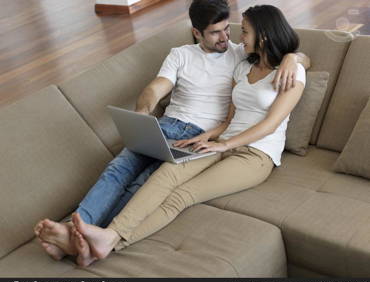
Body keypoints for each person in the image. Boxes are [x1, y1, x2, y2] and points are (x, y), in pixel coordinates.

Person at [34, 0, 310, 263]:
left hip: (249, 151)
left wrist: (291, 57)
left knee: (165, 188)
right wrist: (182, 130)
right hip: (202, 135)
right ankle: (84, 233)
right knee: (141, 171)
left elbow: (273, 118)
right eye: (218, 32)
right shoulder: (226, 62)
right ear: (197, 33)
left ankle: (105, 240)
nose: (231, 37)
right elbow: (217, 114)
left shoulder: (263, 62)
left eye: (236, 30)